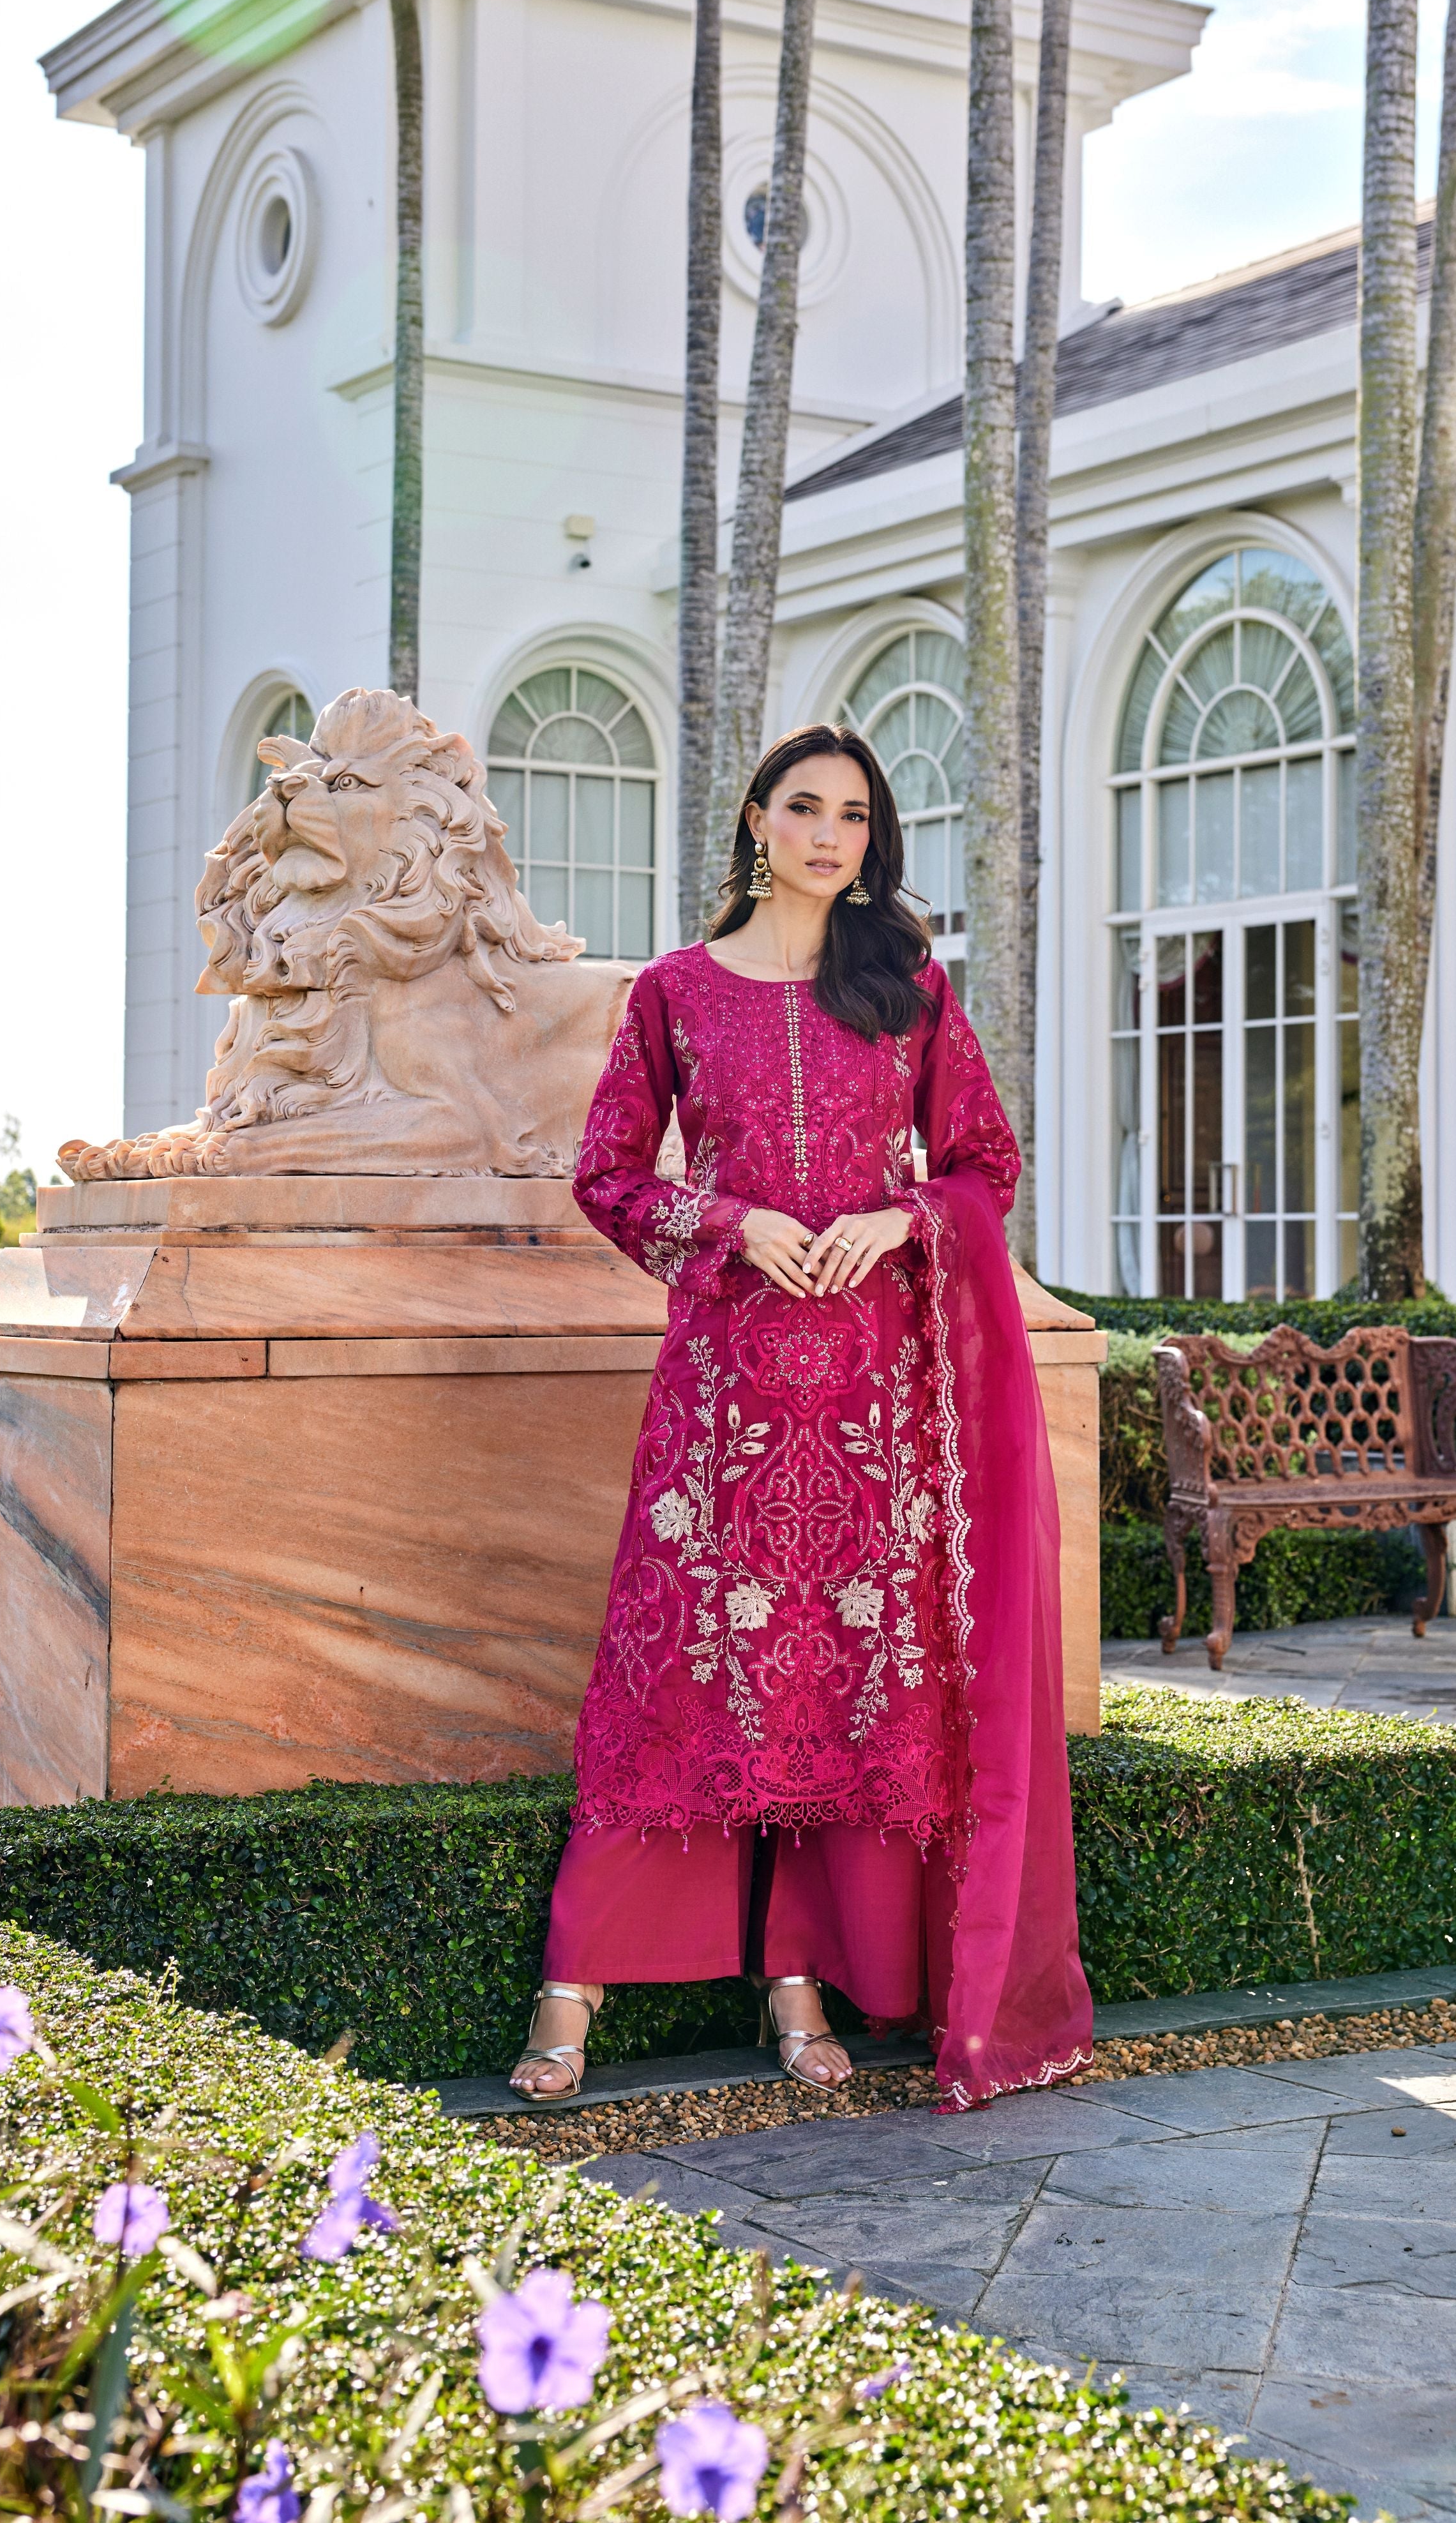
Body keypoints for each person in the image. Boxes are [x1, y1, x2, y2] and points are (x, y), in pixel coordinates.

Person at [509, 725, 1094, 2112]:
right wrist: (732, 1222)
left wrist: (899, 1219)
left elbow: (983, 1164)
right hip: (721, 1391)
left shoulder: (905, 990)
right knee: (675, 1673)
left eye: (853, 815)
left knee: (842, 1680)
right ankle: (571, 1981)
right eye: (804, 808)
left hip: (875, 1403)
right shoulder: (672, 993)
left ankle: (799, 1978)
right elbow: (606, 1178)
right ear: (756, 822)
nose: (830, 834)